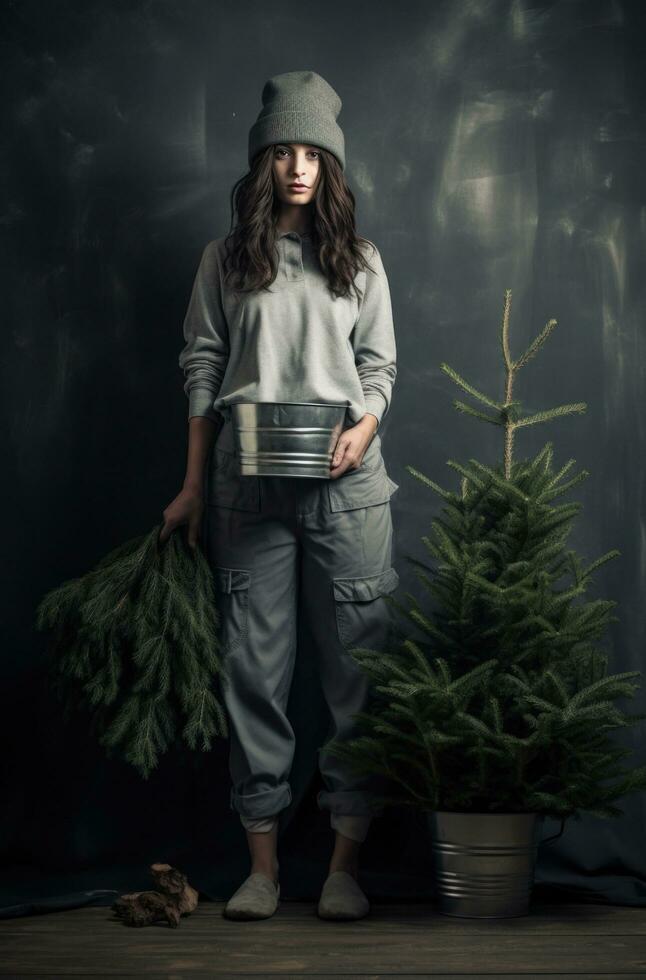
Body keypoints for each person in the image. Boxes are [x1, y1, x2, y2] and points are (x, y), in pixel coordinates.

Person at [160, 70, 399, 921]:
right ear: (262, 164)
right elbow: (202, 369)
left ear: (330, 168)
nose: (298, 167)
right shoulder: (222, 263)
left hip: (347, 488)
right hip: (245, 488)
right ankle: (261, 869)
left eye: (313, 154)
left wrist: (361, 429)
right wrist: (193, 485)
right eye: (282, 153)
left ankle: (342, 867)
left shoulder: (360, 261)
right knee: (253, 677)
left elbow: (378, 370)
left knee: (355, 677)